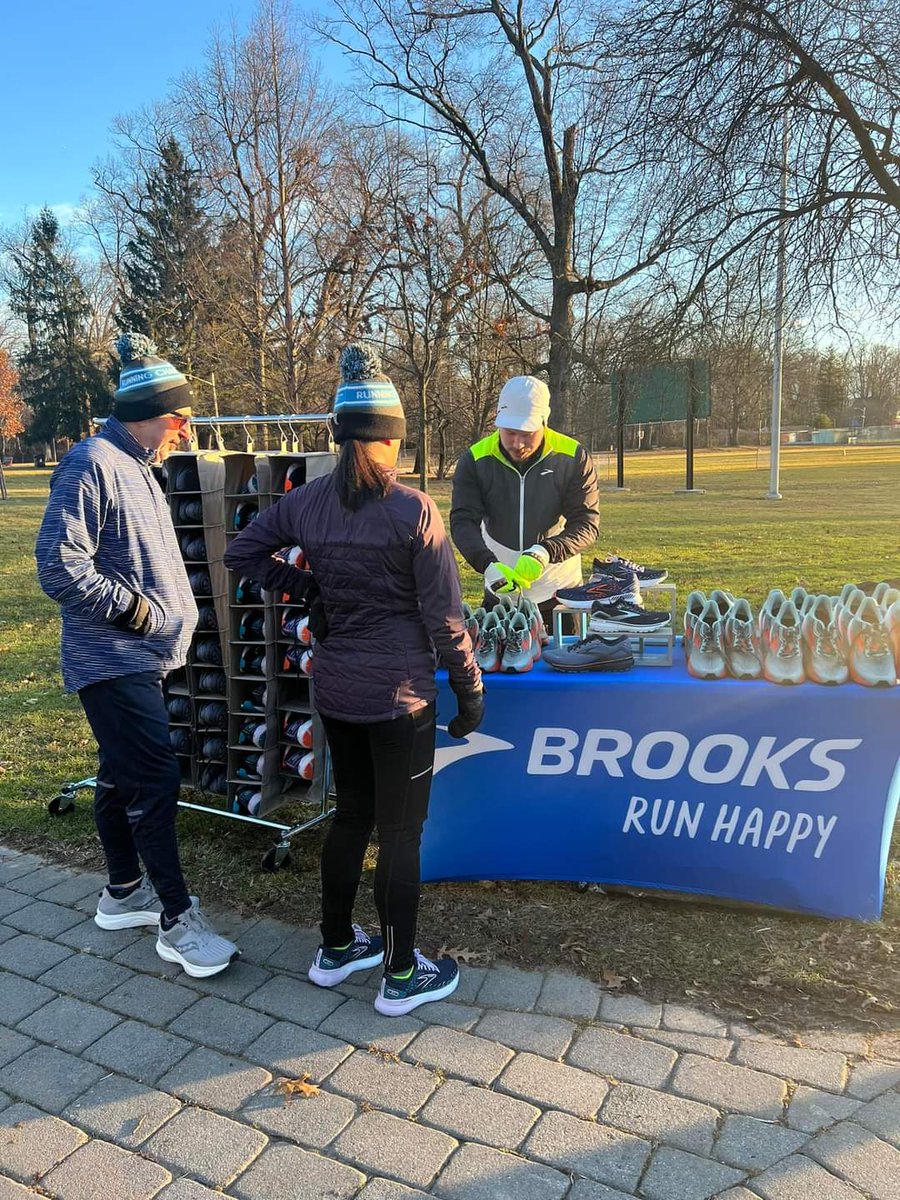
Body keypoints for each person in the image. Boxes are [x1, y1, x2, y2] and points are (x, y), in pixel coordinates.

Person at [225, 343, 483, 1016]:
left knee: (352, 816)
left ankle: (337, 947)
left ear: (342, 438)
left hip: (336, 689)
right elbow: (445, 619)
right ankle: (401, 976)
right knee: (399, 835)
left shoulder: (307, 503)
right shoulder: (413, 511)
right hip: (400, 699)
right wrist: (471, 691)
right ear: (391, 438)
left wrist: (304, 584)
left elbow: (240, 550)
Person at [35, 332, 239, 979]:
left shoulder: (135, 465)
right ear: (158, 415)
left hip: (139, 660)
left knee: (122, 773)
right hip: (112, 657)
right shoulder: (92, 461)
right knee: (153, 780)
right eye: (179, 422)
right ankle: (177, 921)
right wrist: (136, 611)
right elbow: (58, 562)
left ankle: (123, 892)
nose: (182, 434)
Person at [450, 375, 601, 628]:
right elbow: (463, 521)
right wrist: (486, 564)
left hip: (559, 591)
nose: (517, 443)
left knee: (562, 664)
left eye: (527, 433)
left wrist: (545, 551)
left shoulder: (573, 456)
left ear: (544, 422)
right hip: (500, 589)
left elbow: (586, 524)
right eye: (509, 432)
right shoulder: (475, 460)